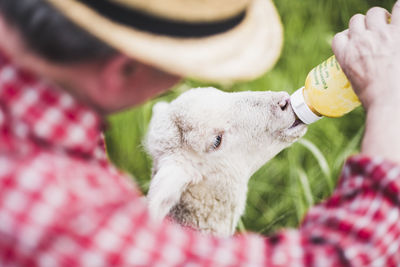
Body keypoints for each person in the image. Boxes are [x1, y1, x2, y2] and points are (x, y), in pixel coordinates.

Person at [0, 0, 399, 265]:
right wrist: (388, 97)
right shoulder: (61, 211)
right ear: (120, 70)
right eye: (179, 62)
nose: (181, 72)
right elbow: (348, 255)